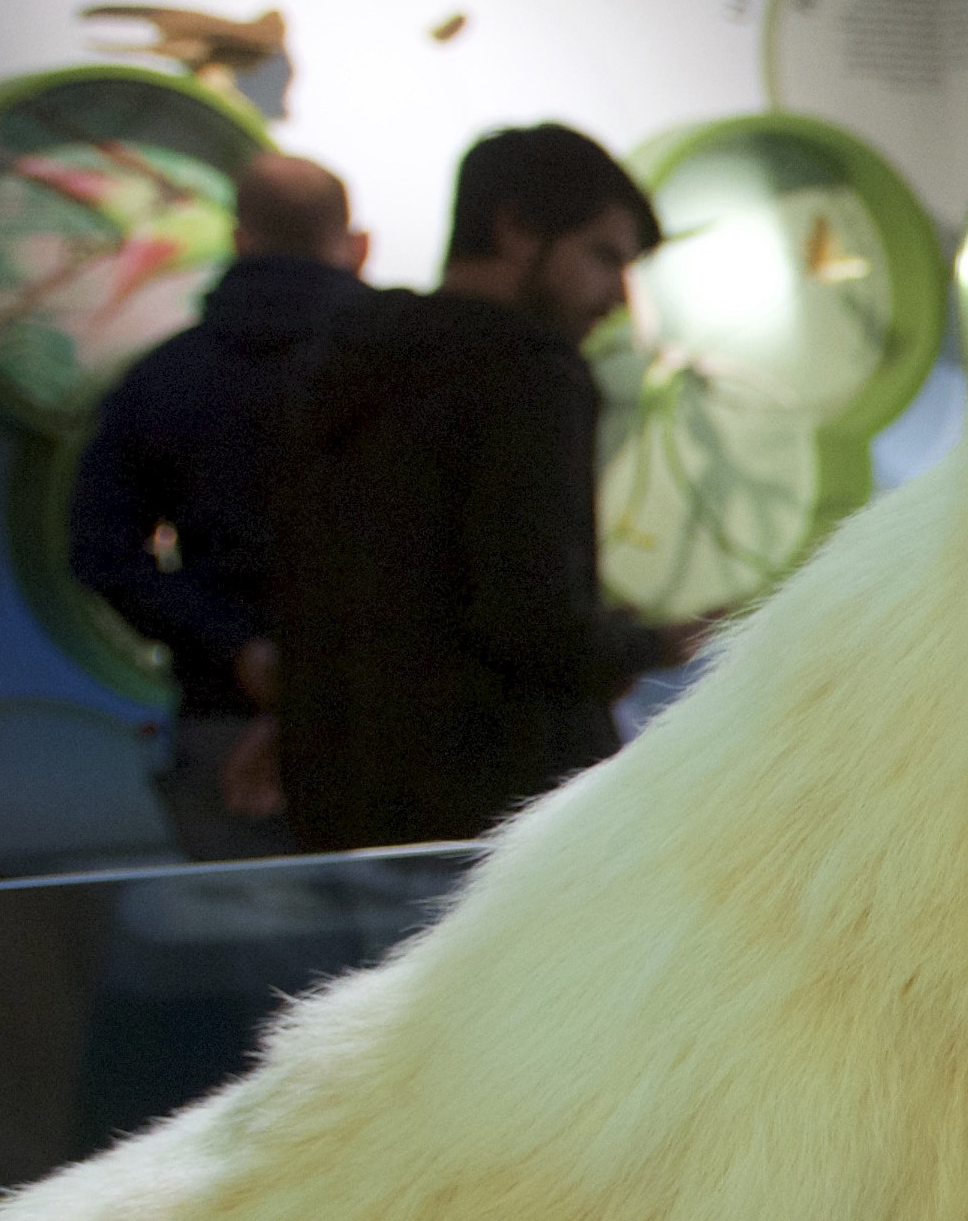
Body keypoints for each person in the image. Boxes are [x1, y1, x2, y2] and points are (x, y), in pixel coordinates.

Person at [272, 124, 692, 851]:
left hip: (344, 799)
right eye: (603, 256)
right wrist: (650, 643)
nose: (617, 297)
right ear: (516, 230)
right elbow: (530, 617)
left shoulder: (345, 357)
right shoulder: (528, 374)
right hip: (503, 810)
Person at [72, 152, 370, 857]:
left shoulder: (164, 375)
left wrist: (234, 645)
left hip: (224, 715)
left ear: (240, 239)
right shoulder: (411, 366)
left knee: (242, 923)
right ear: (355, 243)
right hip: (389, 711)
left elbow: (101, 550)